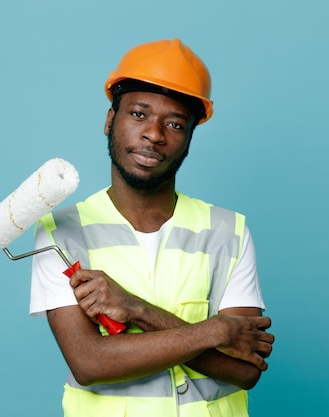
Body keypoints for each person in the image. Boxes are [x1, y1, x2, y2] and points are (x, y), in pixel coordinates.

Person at [29, 38, 274, 417]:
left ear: (190, 136)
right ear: (110, 120)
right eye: (139, 114)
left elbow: (244, 369)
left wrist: (137, 309)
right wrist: (215, 331)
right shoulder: (61, 232)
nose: (154, 134)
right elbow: (89, 362)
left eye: (174, 123)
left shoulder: (229, 231)